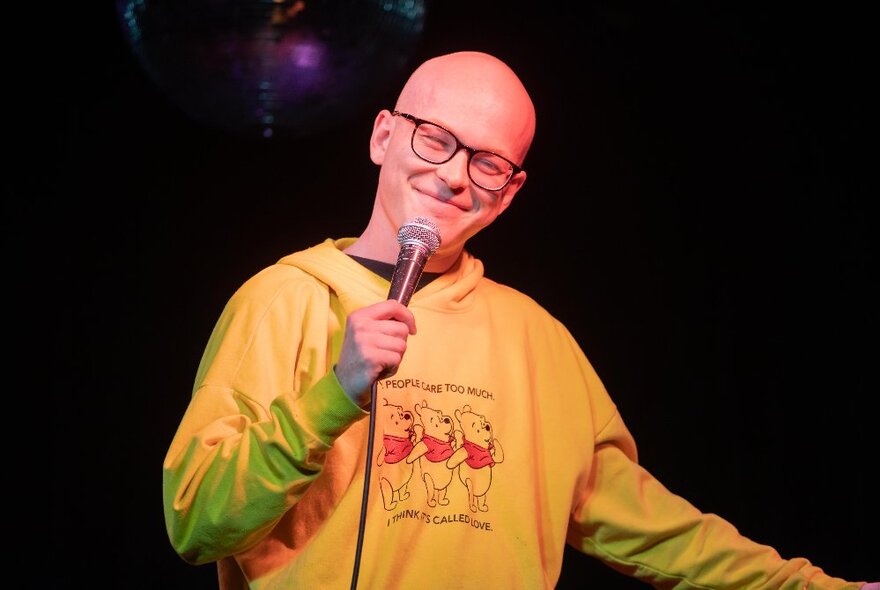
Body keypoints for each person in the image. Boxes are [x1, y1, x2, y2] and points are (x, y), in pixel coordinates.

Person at [162, 51, 876, 589]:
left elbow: (651, 525)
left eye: (488, 162)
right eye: (435, 139)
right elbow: (196, 520)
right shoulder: (282, 300)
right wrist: (331, 397)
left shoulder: (538, 339)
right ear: (384, 136)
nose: (453, 175)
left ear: (509, 193)